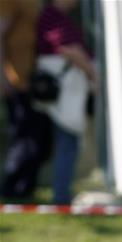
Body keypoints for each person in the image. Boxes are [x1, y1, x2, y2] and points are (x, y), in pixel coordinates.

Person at [33, 0, 96, 204]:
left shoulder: (58, 16)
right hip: (64, 94)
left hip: (68, 93)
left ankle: (62, 193)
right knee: (67, 142)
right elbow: (69, 50)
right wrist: (93, 74)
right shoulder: (52, 15)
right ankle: (61, 196)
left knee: (66, 142)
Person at [1, 0, 51, 199]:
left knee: (38, 138)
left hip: (35, 82)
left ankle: (26, 188)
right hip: (16, 82)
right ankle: (13, 190)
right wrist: (2, 77)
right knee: (24, 138)